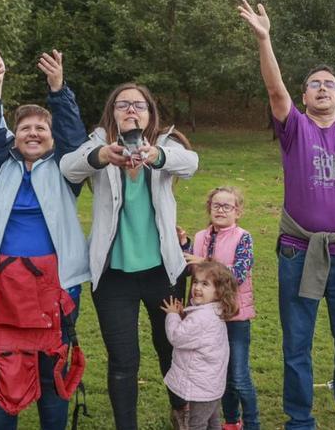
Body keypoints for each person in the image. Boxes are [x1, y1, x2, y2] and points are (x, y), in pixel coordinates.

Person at [237, 0, 335, 430]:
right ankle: (299, 421)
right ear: (305, 97)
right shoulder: (295, 128)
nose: (322, 88)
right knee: (297, 345)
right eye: (314, 84)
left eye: (330, 84)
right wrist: (265, 40)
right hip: (297, 254)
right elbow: (274, 90)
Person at [0, 47, 89, 429]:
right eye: (25, 129)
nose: (32, 133)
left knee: (52, 371)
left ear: (51, 137)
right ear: (14, 136)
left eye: (41, 129)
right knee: (1, 365)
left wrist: (58, 88)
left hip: (55, 287)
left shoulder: (67, 168)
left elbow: (74, 136)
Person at [60, 83, 199, 429]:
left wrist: (157, 156)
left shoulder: (165, 144)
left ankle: (181, 413)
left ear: (150, 113)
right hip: (113, 278)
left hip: (163, 273)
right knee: (123, 361)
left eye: (139, 105)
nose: (131, 110)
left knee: (170, 349)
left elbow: (191, 163)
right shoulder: (99, 144)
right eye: (123, 105)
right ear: (112, 113)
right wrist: (103, 156)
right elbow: (68, 168)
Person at [177, 186, 259, 430]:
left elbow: (238, 274)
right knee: (218, 374)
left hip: (234, 317)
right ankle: (231, 422)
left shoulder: (243, 237)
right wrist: (184, 244)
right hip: (205, 320)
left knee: (239, 377)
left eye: (227, 206)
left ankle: (252, 423)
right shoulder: (201, 236)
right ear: (209, 208)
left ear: (238, 211)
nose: (221, 210)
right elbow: (192, 268)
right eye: (216, 205)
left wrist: (206, 262)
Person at [162, 261, 240, 430]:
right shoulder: (213, 310)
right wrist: (184, 316)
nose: (197, 287)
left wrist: (173, 316)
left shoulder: (201, 318)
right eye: (196, 282)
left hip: (200, 386)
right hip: (211, 383)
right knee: (212, 421)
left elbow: (177, 337)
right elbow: (196, 335)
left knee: (196, 424)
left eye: (205, 284)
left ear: (219, 291)